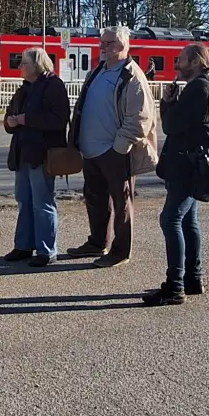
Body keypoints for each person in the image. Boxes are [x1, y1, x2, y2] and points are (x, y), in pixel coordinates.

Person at [67, 25, 158, 268]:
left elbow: (140, 118)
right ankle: (98, 242)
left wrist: (119, 147)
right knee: (95, 198)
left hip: (115, 152)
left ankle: (120, 251)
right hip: (91, 150)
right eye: (102, 42)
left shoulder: (132, 76)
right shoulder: (98, 71)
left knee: (121, 202)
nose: (102, 47)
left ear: (121, 46)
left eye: (107, 43)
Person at [145, 44, 209, 306]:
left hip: (187, 165)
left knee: (170, 219)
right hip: (194, 164)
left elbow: (171, 125)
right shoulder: (207, 85)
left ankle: (175, 285)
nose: (177, 63)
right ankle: (193, 278)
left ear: (196, 61)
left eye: (181, 59)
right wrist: (172, 102)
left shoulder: (199, 87)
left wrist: (167, 103)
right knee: (189, 221)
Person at [4, 47, 70, 266]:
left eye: (24, 63)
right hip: (22, 152)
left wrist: (25, 119)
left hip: (41, 153)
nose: (20, 67)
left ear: (37, 65)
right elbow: (10, 114)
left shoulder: (53, 85)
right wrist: (10, 122)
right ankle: (23, 245)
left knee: (42, 202)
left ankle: (47, 250)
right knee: (24, 200)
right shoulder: (24, 89)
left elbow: (58, 119)